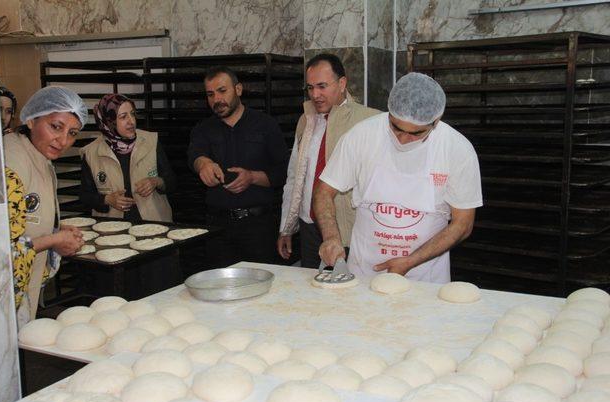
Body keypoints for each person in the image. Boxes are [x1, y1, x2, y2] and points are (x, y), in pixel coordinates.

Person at [314, 73, 483, 283]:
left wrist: (410, 261)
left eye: (416, 133)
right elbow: (324, 191)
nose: (402, 139)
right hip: (364, 272)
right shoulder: (361, 136)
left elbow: (463, 225)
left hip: (425, 276)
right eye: (395, 127)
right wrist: (331, 238)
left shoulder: (457, 149)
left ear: (436, 122)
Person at [277, 54, 380, 268]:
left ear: (342, 83)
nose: (315, 94)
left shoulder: (370, 122)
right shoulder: (306, 120)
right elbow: (295, 177)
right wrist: (286, 227)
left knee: (349, 294)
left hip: (349, 230)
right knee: (312, 292)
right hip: (310, 227)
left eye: (322, 86)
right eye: (310, 88)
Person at [188, 66, 288, 267]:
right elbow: (195, 156)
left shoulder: (265, 125)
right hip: (218, 227)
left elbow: (284, 171)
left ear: (239, 89)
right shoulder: (203, 129)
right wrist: (204, 165)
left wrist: (252, 177)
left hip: (259, 226)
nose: (216, 99)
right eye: (210, 94)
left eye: (222, 91)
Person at [3, 86, 87, 322]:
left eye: (72, 133)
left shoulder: (37, 154)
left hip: (23, 287)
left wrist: (55, 231)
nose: (63, 141)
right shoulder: (12, 162)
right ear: (31, 119)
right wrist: (54, 240)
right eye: (56, 127)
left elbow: (25, 222)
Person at [80, 94, 175, 222]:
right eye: (123, 117)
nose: (131, 121)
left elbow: (172, 182)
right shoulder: (91, 152)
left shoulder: (151, 141)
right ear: (109, 121)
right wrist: (107, 199)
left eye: (132, 114)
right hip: (113, 230)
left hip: (154, 224)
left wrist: (156, 182)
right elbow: (85, 196)